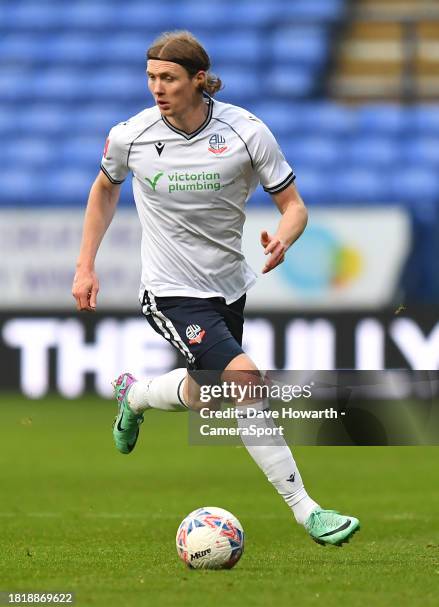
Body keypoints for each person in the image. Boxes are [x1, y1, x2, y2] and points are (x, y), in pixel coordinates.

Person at [72, 31, 359, 546]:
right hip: (169, 289)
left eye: (169, 78)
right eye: (152, 78)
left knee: (209, 396)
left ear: (199, 80)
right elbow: (104, 190)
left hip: (227, 287)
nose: (158, 88)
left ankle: (135, 395)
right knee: (246, 381)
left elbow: (294, 206)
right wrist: (85, 265)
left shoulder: (246, 132)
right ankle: (307, 510)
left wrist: (284, 241)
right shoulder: (130, 136)